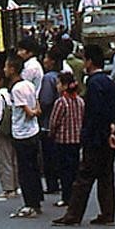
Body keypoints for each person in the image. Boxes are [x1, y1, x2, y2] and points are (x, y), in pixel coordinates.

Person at [52, 45, 115, 226]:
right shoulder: (109, 82)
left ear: (89, 62)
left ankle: (73, 215)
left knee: (84, 178)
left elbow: (95, 113)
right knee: (106, 177)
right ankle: (108, 214)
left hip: (96, 139)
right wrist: (113, 125)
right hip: (110, 137)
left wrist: (87, 136)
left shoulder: (93, 84)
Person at [5, 54, 44, 218]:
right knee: (34, 168)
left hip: (22, 134)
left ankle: (30, 204)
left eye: (6, 67)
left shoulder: (17, 89)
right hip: (34, 131)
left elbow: (28, 112)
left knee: (25, 171)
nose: (4, 70)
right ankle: (37, 200)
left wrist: (32, 112)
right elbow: (37, 107)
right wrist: (35, 112)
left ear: (13, 69)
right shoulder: (29, 85)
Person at [49, 71, 85, 208]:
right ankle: (75, 196)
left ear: (64, 86)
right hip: (76, 140)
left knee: (64, 171)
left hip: (63, 141)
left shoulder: (61, 102)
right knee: (74, 170)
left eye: (59, 83)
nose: (57, 86)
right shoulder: (80, 101)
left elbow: (54, 122)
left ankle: (66, 197)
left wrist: (51, 134)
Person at [0, 65, 19, 202]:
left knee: (4, 158)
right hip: (13, 129)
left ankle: (8, 188)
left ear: (1, 81)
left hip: (3, 130)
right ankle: (16, 185)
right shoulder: (10, 93)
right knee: (14, 158)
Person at [38, 48, 62, 196]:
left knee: (49, 156)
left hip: (48, 122)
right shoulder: (61, 75)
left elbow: (46, 101)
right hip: (61, 123)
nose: (44, 61)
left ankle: (52, 184)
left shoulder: (48, 78)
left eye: (46, 58)